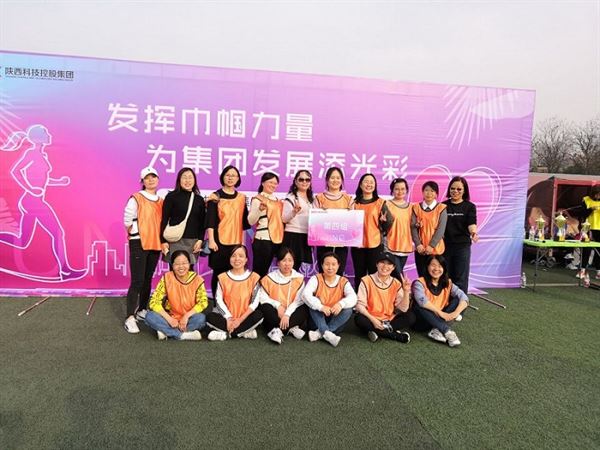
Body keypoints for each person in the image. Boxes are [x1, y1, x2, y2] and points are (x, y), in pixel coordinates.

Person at [0, 124, 87, 281]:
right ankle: (65, 271)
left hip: (33, 201)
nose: (49, 135)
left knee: (22, 241)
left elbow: (42, 179)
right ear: (38, 138)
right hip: (32, 202)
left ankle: (65, 270)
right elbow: (15, 171)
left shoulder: (41, 155)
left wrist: (58, 182)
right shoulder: (32, 153)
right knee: (58, 233)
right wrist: (31, 189)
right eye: (45, 133)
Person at [123, 167, 163, 334]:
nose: (151, 180)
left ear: (158, 179)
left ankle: (142, 310)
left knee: (147, 279)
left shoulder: (161, 201)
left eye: (153, 177)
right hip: (139, 242)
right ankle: (129, 317)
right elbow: (127, 219)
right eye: (147, 178)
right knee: (137, 281)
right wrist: (136, 233)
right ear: (142, 181)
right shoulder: (136, 198)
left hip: (155, 243)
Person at [206, 165, 250, 297]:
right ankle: (217, 301)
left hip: (236, 243)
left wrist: (242, 244)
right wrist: (212, 241)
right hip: (219, 241)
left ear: (238, 179)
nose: (230, 178)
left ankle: (231, 301)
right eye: (228, 175)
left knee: (234, 273)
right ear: (223, 177)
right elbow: (211, 221)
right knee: (219, 273)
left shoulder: (241, 198)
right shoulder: (215, 196)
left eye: (233, 175)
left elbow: (244, 223)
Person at [145, 250, 208, 341]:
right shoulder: (167, 278)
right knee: (149, 316)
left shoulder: (197, 279)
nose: (181, 267)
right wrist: (169, 319)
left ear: (189, 264)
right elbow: (154, 302)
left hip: (189, 318)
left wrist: (186, 316)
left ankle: (167, 332)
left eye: (184, 263)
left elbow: (203, 302)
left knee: (201, 318)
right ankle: (182, 335)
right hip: (170, 318)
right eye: (177, 264)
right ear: (172, 265)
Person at [206, 245, 263, 341]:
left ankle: (227, 334)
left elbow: (254, 303)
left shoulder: (254, 277)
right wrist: (229, 318)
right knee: (210, 317)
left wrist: (240, 320)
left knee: (259, 315)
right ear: (229, 259)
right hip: (226, 317)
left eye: (241, 256)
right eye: (233, 256)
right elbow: (219, 300)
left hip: (245, 317)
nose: (237, 259)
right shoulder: (222, 277)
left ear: (246, 260)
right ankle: (242, 332)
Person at [354, 252, 415, 343]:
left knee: (411, 317)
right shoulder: (366, 280)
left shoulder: (396, 283)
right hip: (371, 318)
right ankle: (394, 335)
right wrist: (373, 320)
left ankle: (375, 331)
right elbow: (359, 305)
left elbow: (403, 309)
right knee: (359, 319)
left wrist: (406, 291)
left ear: (393, 267)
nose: (385, 266)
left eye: (389, 264)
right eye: (382, 262)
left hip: (389, 319)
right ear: (377, 264)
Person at [411, 255, 468, 347]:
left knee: (459, 300)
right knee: (419, 306)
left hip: (438, 318)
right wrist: (440, 313)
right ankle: (447, 331)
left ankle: (436, 330)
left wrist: (455, 313)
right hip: (422, 321)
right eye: (433, 265)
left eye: (440, 266)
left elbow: (464, 298)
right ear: (427, 267)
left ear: (444, 269)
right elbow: (421, 301)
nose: (436, 269)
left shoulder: (448, 283)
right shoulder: (419, 282)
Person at [302, 252, 357, 347]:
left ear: (338, 265)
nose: (330, 267)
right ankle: (327, 332)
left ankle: (320, 333)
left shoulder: (343, 281)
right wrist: (321, 307)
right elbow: (305, 295)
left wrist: (341, 304)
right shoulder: (316, 279)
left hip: (335, 320)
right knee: (312, 305)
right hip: (317, 320)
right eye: (327, 264)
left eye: (333, 264)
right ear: (322, 265)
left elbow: (353, 297)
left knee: (348, 310)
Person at [257, 247, 308, 344]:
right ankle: (291, 328)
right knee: (265, 307)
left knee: (305, 306)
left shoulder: (299, 278)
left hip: (291, 312)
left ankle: (276, 330)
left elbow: (298, 301)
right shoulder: (269, 278)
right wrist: (278, 306)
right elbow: (262, 297)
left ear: (293, 262)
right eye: (284, 260)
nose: (287, 264)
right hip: (275, 312)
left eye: (290, 260)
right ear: (278, 263)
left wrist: (287, 314)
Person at [160, 167, 206, 271]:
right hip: (174, 240)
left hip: (192, 242)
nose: (187, 180)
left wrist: (200, 240)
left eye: (190, 177)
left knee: (189, 271)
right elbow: (164, 219)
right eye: (184, 177)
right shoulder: (171, 196)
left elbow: (202, 223)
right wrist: (163, 241)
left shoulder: (199, 200)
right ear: (179, 180)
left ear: (194, 180)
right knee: (174, 271)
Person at [351, 173, 390, 290]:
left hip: (375, 244)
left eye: (372, 182)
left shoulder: (381, 203)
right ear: (360, 185)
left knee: (374, 274)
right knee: (359, 275)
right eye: (366, 181)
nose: (369, 184)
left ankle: (374, 298)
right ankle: (359, 298)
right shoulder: (354, 203)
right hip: (357, 245)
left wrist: (383, 222)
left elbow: (389, 224)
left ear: (375, 185)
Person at [314, 167, 352, 275]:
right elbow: (314, 222)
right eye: (332, 178)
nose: (335, 180)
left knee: (339, 272)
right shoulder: (319, 198)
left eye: (338, 178)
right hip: (323, 242)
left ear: (342, 180)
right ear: (327, 180)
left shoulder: (348, 199)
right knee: (323, 272)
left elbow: (352, 223)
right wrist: (321, 215)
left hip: (342, 243)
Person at [443, 176, 478, 294]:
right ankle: (444, 302)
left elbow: (471, 223)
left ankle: (460, 303)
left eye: (459, 189)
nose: (455, 191)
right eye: (452, 188)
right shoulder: (442, 206)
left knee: (460, 278)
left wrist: (473, 233)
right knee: (444, 276)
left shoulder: (470, 207)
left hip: (462, 247)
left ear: (464, 191)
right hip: (445, 246)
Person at [248, 172, 284, 277]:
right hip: (263, 239)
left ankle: (264, 287)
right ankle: (255, 288)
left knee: (267, 271)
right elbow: (251, 221)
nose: (273, 185)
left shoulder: (279, 201)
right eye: (270, 182)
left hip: (277, 240)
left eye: (275, 183)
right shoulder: (258, 199)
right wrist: (259, 210)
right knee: (258, 271)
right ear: (263, 183)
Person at [411, 180, 448, 277]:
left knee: (436, 275)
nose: (429, 193)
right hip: (420, 249)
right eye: (426, 190)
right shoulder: (416, 208)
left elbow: (441, 229)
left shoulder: (441, 208)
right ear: (422, 192)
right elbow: (413, 228)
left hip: (436, 249)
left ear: (436, 194)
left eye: (432, 191)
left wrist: (431, 245)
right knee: (422, 275)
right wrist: (418, 244)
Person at [282, 170, 314, 272]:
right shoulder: (291, 197)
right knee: (289, 267)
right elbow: (284, 218)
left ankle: (295, 283)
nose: (304, 182)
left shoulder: (311, 199)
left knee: (297, 267)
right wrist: (294, 212)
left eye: (307, 180)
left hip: (305, 235)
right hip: (293, 235)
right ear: (295, 181)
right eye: (301, 179)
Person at [384, 178, 413, 279]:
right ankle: (403, 288)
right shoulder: (386, 204)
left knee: (395, 275)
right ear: (392, 190)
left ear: (406, 190)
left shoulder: (411, 207)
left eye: (402, 189)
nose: (400, 191)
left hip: (405, 245)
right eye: (397, 189)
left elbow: (413, 225)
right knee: (397, 274)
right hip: (390, 244)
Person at [578, 185, 600, 280]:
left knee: (599, 251)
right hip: (588, 228)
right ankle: (582, 270)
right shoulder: (586, 200)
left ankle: (598, 271)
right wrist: (591, 209)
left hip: (599, 228)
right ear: (593, 193)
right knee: (586, 250)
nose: (598, 196)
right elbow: (582, 214)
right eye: (597, 194)